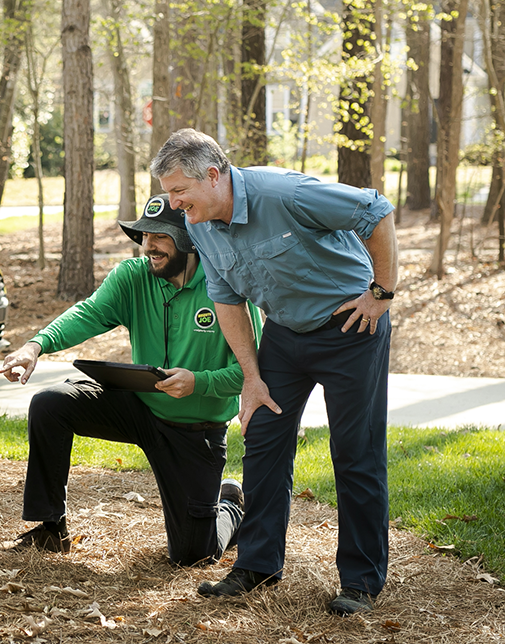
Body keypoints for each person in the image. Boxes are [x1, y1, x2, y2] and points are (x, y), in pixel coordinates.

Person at [150, 128, 397, 616]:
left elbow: (376, 209)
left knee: (355, 452)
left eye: (179, 191)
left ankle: (362, 580)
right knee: (262, 436)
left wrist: (381, 293)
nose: (174, 203)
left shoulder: (286, 193)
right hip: (284, 334)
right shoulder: (199, 221)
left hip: (351, 326)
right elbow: (226, 298)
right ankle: (258, 565)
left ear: (214, 176)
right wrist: (251, 376)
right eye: (169, 192)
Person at [0, 194, 262, 569]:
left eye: (159, 237)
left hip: (194, 429)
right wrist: (35, 347)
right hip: (140, 406)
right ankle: (50, 527)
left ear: (188, 238)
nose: (147, 246)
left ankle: (231, 503)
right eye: (144, 235)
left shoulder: (225, 286)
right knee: (51, 403)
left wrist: (197, 383)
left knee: (194, 554)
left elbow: (250, 373)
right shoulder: (132, 276)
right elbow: (86, 314)